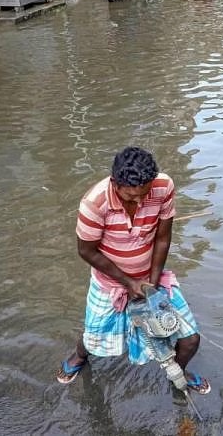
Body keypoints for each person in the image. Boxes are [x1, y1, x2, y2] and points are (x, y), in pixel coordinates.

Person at [56, 147, 209, 394]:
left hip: (151, 277)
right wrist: (128, 282)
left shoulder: (163, 186)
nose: (139, 203)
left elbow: (162, 237)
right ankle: (79, 356)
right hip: (110, 282)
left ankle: (177, 372)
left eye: (144, 195)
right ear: (115, 183)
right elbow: (86, 251)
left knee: (190, 339)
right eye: (130, 197)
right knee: (94, 338)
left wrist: (154, 282)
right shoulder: (94, 203)